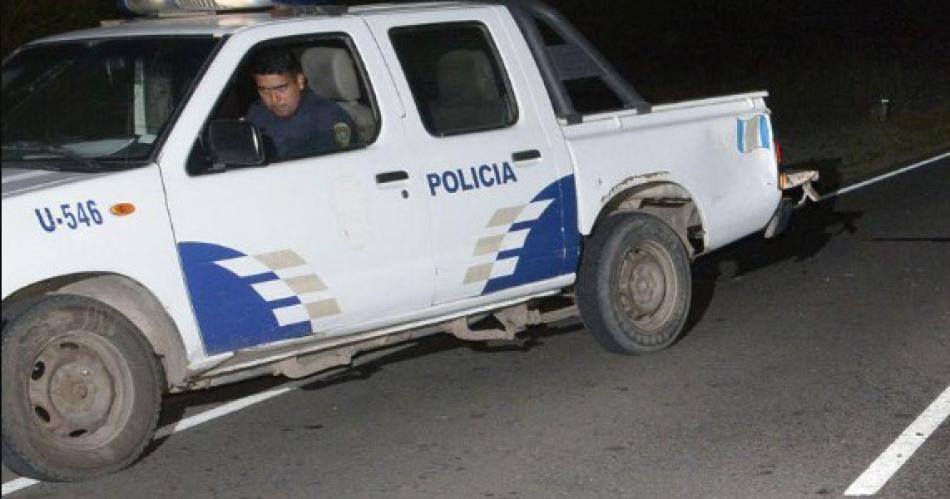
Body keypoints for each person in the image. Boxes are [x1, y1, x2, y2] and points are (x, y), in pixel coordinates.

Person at [245, 47, 355, 160]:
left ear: (300, 81)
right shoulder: (257, 112)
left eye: (281, 89)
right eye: (264, 90)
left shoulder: (327, 119)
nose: (274, 99)